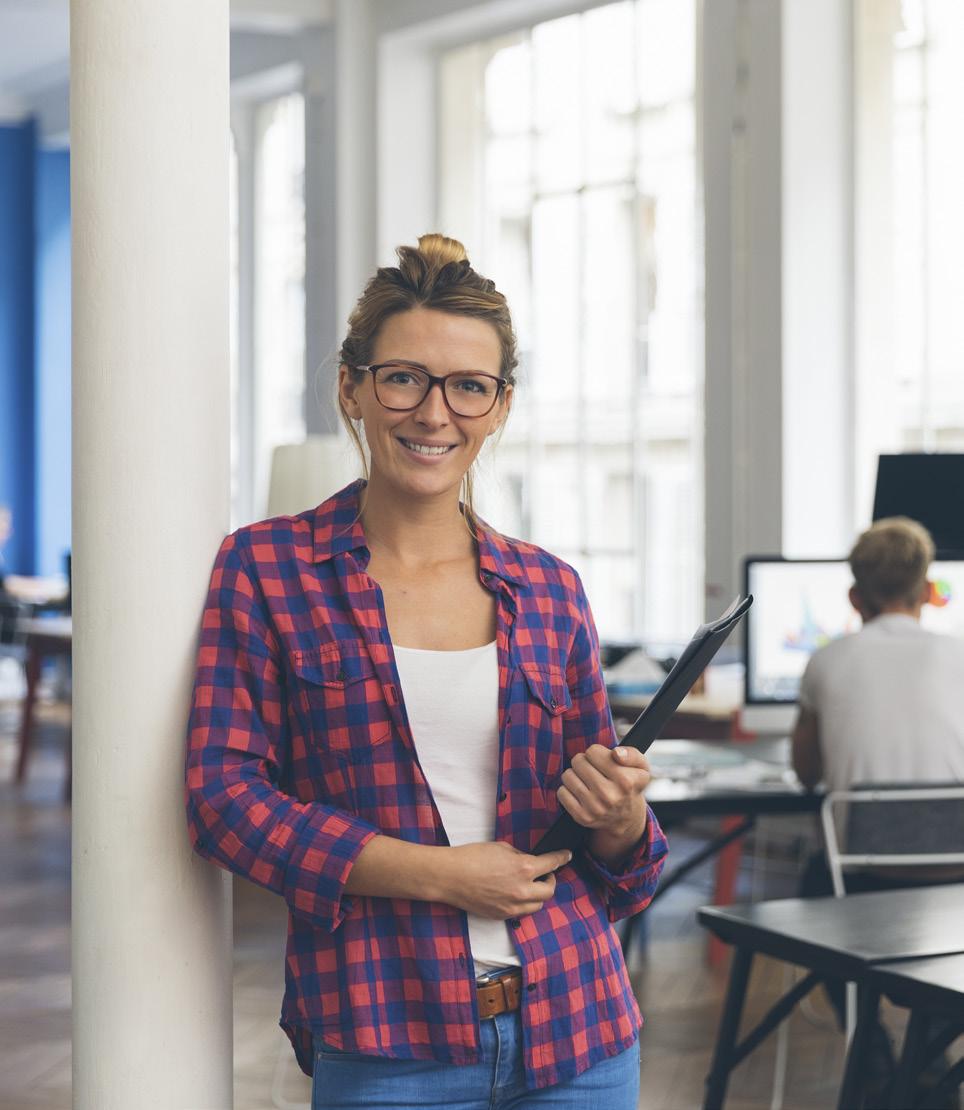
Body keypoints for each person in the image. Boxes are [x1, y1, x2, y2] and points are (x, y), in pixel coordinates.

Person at [186, 234, 668, 1109]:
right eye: (404, 377)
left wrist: (620, 817)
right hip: (389, 1037)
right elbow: (224, 801)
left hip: (581, 1029)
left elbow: (624, 864)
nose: (434, 413)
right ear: (354, 387)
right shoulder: (266, 568)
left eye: (468, 386)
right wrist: (435, 873)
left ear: (500, 405)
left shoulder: (549, 588)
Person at [791, 516, 964, 1106]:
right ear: (927, 589)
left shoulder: (827, 662)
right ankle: (937, 1038)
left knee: (811, 887)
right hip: (957, 877)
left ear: (853, 596)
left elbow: (807, 772)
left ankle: (872, 1052)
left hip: (858, 880)